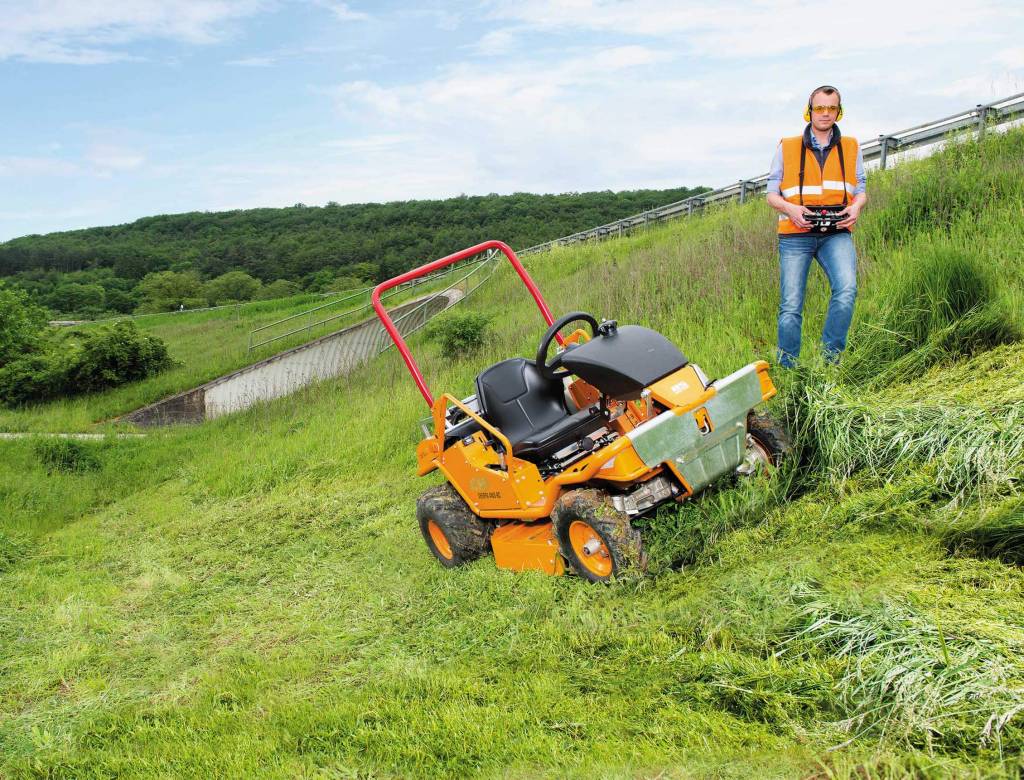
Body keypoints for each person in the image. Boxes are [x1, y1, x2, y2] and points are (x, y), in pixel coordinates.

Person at [766, 85, 867, 367]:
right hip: (795, 235)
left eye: (831, 108)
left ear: (839, 112)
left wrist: (856, 207)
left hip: (836, 233)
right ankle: (789, 369)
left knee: (846, 291)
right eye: (820, 108)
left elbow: (861, 189)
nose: (825, 113)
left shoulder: (851, 146)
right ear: (808, 111)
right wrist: (791, 209)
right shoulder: (787, 146)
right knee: (791, 305)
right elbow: (771, 194)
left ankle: (830, 362)